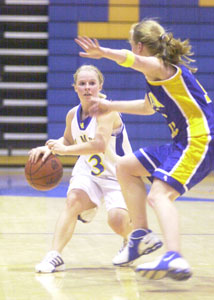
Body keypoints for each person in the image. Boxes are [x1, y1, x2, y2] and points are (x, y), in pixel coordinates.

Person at [75, 19, 214, 281]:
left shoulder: (159, 66)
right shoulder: (158, 77)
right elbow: (148, 107)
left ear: (139, 46)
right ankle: (140, 234)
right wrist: (110, 105)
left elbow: (131, 61)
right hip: (183, 141)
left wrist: (103, 52)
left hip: (201, 138)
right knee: (126, 167)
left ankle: (175, 255)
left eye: (131, 46)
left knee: (158, 195)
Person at [29, 64, 162, 273]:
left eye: (92, 83)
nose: (87, 88)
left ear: (100, 86)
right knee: (72, 201)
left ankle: (131, 240)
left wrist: (64, 151)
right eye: (82, 84)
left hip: (118, 176)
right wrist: (49, 148)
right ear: (75, 88)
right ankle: (55, 255)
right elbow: (67, 139)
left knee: (117, 221)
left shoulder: (107, 111)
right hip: (88, 172)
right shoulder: (72, 114)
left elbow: (99, 145)